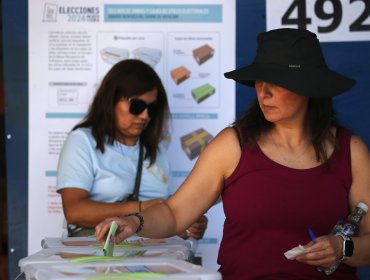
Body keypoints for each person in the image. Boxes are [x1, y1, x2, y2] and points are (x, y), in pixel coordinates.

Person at [95, 29, 370, 279]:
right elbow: (175, 213)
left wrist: (343, 247)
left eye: (277, 80)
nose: (264, 91)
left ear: (309, 86)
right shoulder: (233, 145)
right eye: (260, 80)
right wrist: (134, 221)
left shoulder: (351, 150)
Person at [57, 59, 208, 240]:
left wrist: (187, 224)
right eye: (137, 106)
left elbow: (168, 216)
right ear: (111, 99)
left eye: (152, 108)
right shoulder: (83, 141)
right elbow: (74, 211)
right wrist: (143, 208)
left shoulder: (156, 151)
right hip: (98, 259)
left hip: (155, 259)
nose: (144, 115)